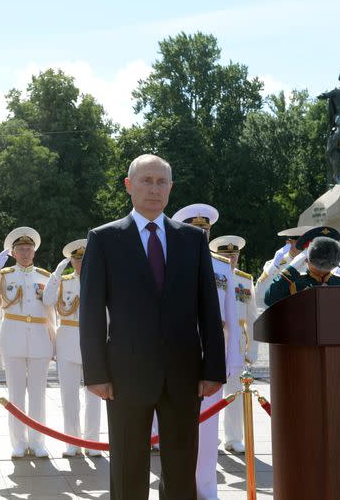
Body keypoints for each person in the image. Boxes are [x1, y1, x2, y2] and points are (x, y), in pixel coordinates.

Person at [80, 154, 225, 499]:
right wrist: (96, 372)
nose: (154, 189)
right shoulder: (104, 239)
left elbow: (208, 307)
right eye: (146, 180)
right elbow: (90, 312)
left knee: (180, 467)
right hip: (125, 375)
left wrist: (213, 368)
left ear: (171, 189)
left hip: (183, 372)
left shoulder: (192, 240)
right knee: (128, 468)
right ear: (129, 186)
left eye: (162, 182)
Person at [171, 204, 239, 500]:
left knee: (208, 430)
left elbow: (231, 316)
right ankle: (178, 488)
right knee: (174, 429)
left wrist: (233, 357)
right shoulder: (168, 262)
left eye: (205, 230)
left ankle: (207, 489)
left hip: (211, 356)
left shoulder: (222, 267)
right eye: (195, 229)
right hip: (174, 355)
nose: (201, 234)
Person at [0, 226, 56, 458]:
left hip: (39, 337)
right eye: (20, 249)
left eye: (28, 249)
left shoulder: (45, 277)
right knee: (15, 393)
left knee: (38, 394)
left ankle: (38, 441)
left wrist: (53, 341)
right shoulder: (4, 276)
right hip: (12, 336)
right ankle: (18, 443)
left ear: (34, 252)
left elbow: (51, 312)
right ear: (13, 253)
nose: (25, 253)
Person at [43, 239, 102, 458]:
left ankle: (93, 442)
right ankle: (72, 442)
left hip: (94, 343)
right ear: (72, 261)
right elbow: (48, 300)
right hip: (67, 340)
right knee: (68, 396)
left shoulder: (100, 281)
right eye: (77, 259)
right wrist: (57, 273)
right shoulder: (63, 282)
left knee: (94, 397)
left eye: (85, 259)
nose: (81, 263)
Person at [209, 236, 259, 454]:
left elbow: (252, 316)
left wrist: (252, 351)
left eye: (234, 254)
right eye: (226, 254)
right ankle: (209, 436)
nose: (230, 258)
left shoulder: (244, 280)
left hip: (236, 342)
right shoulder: (210, 274)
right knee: (210, 392)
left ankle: (234, 437)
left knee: (236, 391)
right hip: (214, 338)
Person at [265, 228, 340, 307]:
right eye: (318, 254)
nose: (324, 258)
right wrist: (292, 267)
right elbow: (270, 299)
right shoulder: (293, 284)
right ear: (306, 258)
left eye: (328, 254)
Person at [255, 226, 312, 311]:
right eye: (300, 243)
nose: (304, 246)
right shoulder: (275, 264)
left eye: (306, 243)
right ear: (289, 243)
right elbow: (259, 292)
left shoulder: (312, 264)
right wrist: (274, 266)